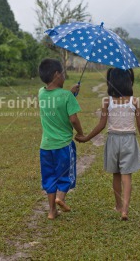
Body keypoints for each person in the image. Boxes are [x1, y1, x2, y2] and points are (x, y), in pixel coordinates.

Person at [76, 68, 140, 221]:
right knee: (126, 175)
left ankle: (118, 206)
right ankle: (126, 210)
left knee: (116, 174)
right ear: (129, 82)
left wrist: (86, 138)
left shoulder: (107, 101)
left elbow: (101, 125)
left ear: (110, 83)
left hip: (113, 140)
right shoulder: (134, 101)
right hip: (129, 140)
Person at [38, 58, 83, 220]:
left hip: (46, 146)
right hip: (64, 145)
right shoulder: (66, 97)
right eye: (63, 73)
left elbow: (56, 101)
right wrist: (81, 133)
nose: (65, 76)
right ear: (57, 75)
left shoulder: (41, 93)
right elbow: (73, 119)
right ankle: (61, 198)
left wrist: (70, 93)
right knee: (66, 174)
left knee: (49, 177)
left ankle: (51, 211)